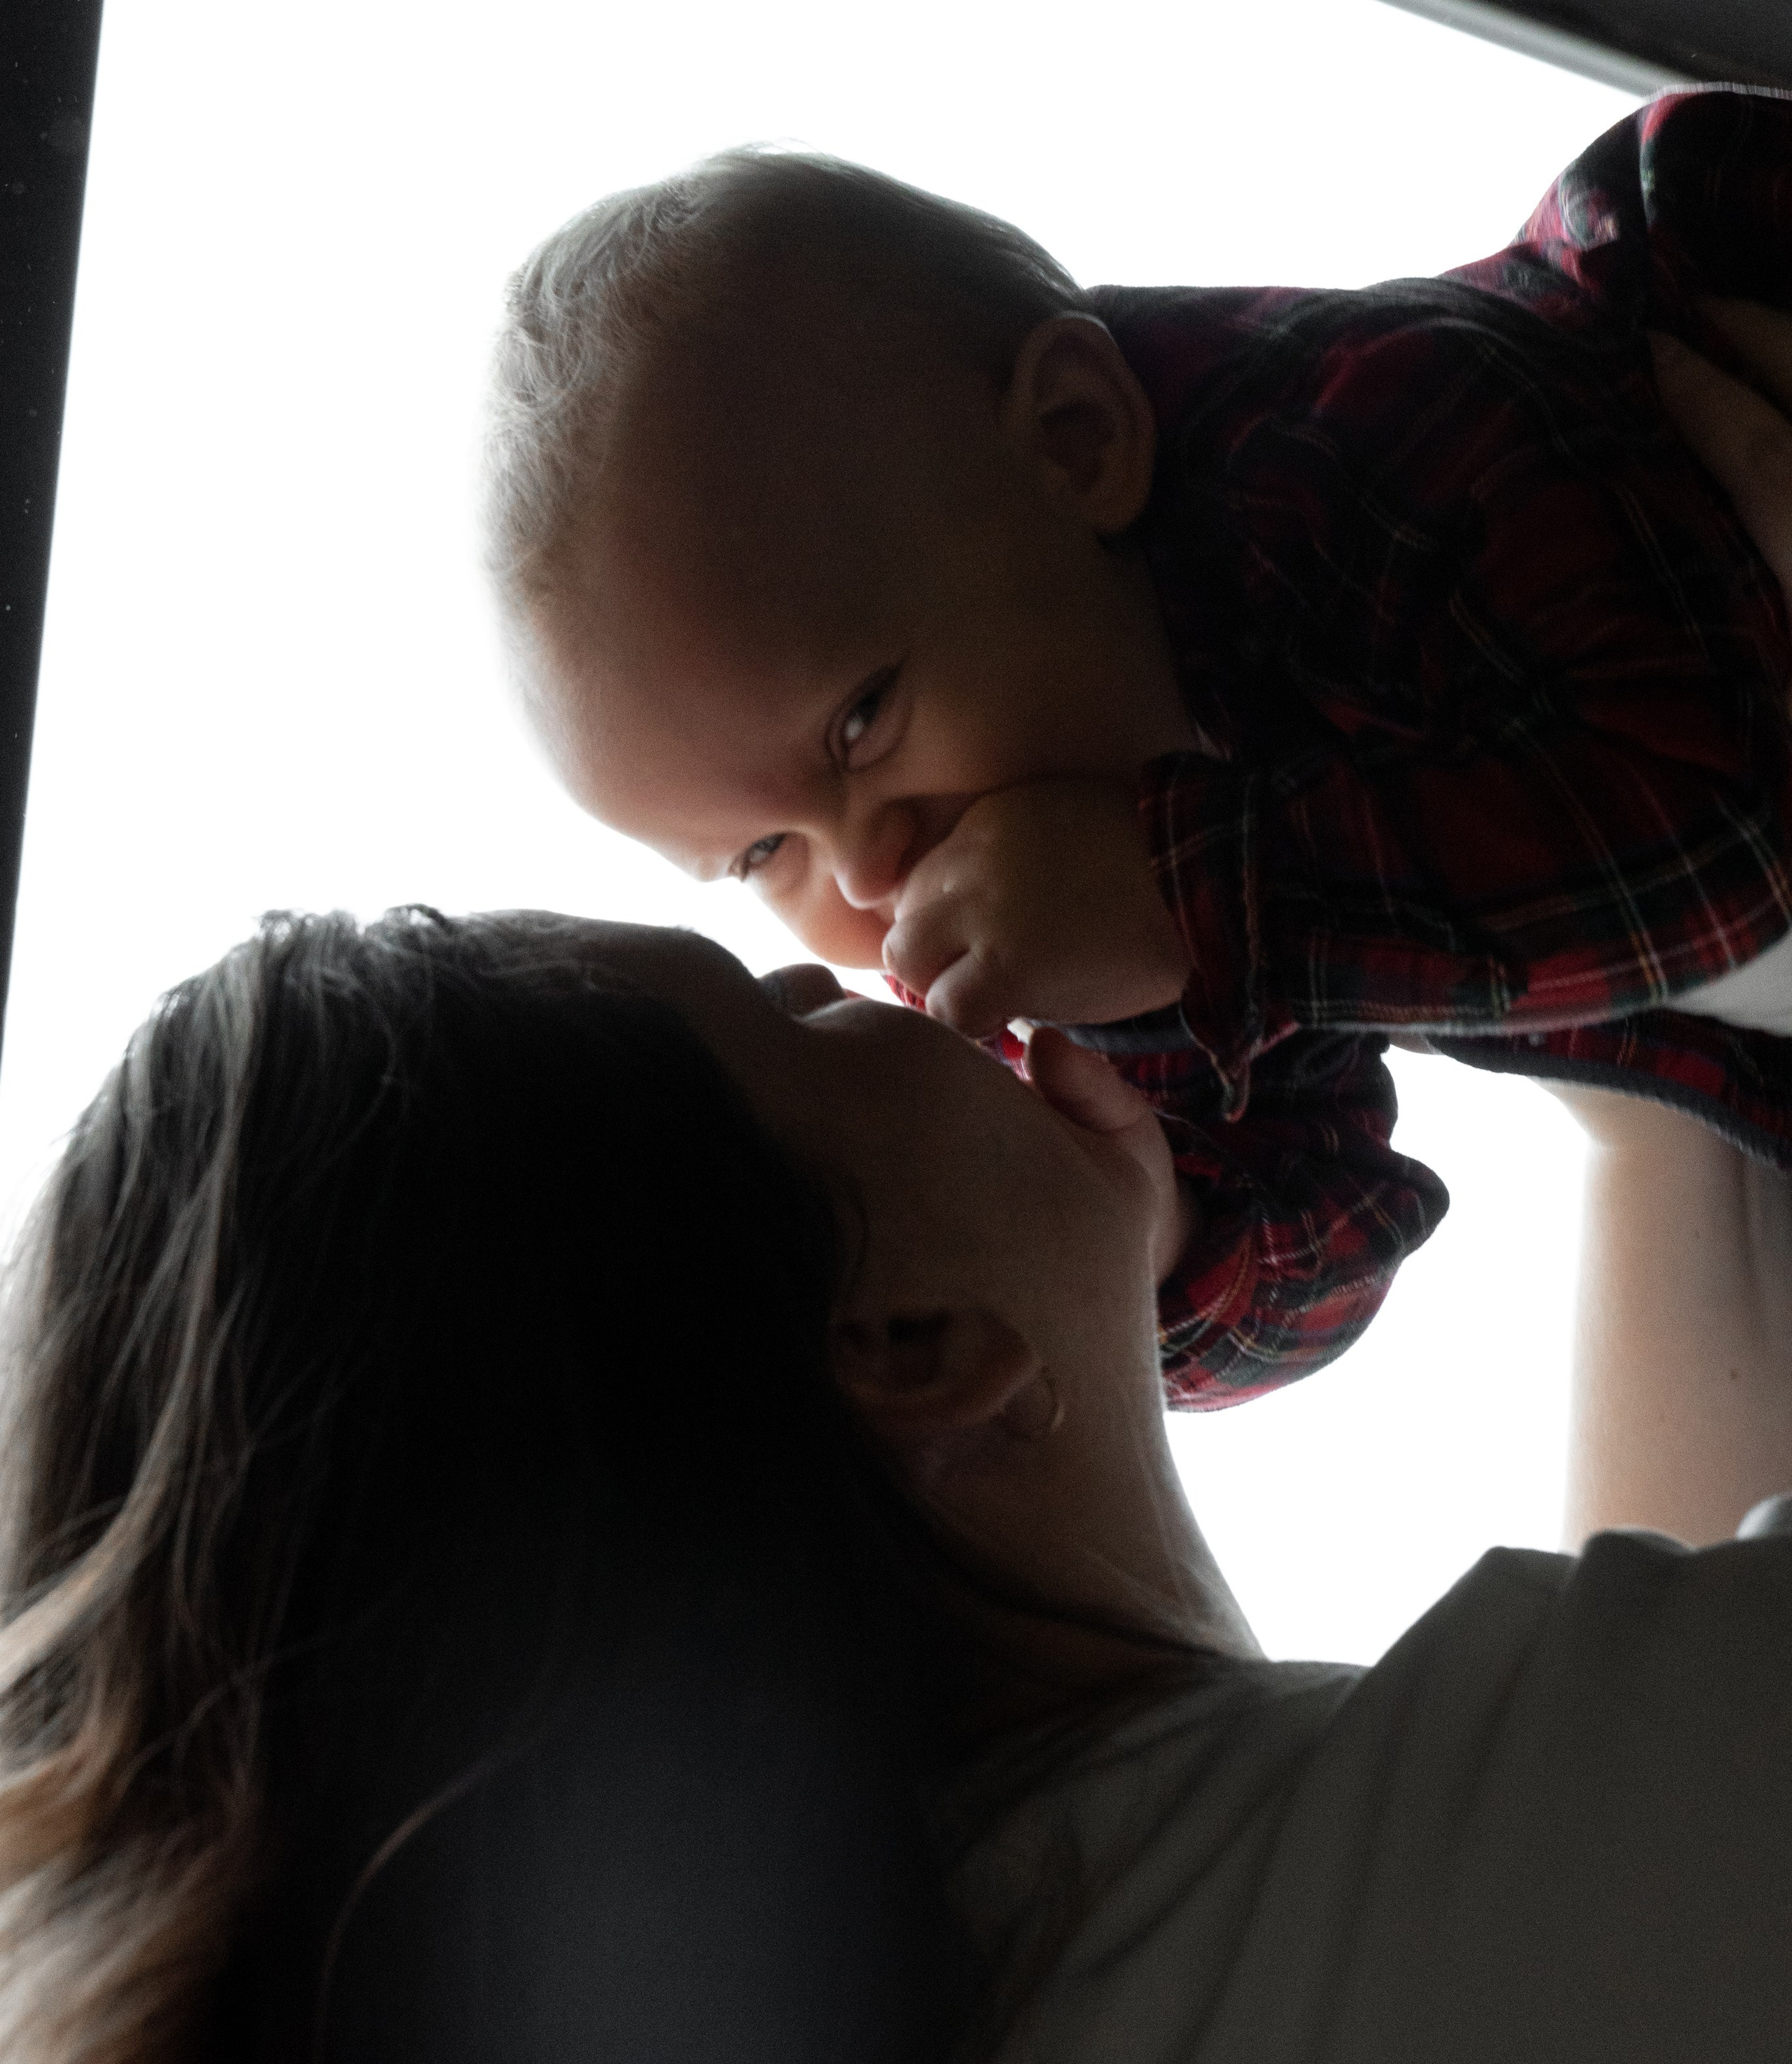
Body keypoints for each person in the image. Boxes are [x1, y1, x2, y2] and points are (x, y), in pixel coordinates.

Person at [4, 900, 1792, 2064]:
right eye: (792, 999)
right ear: (909, 1342)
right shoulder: (1552, 1845)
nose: (880, 960)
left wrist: (1643, 1118)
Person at [483, 90, 1792, 1411]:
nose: (873, 874)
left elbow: (1726, 820)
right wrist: (1140, 1222)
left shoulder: (1361, 443)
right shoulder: (1115, 835)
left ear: (1077, 442)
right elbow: (1329, 1223)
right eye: (766, 852)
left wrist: (1190, 901)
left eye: (861, 722)